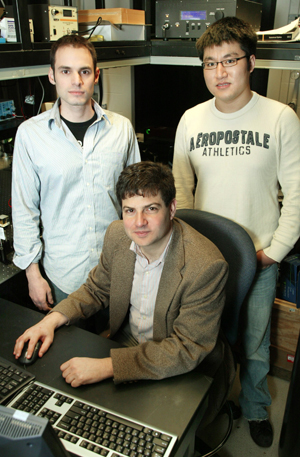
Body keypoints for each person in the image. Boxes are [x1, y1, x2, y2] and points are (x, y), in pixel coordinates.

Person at [14, 161, 234, 424]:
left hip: (185, 365)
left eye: (150, 209)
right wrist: (50, 320)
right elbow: (95, 289)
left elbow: (186, 349)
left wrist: (108, 366)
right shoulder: (118, 235)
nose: (138, 223)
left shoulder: (206, 266)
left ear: (172, 208)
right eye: (130, 210)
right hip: (126, 342)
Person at [172, 16, 300, 448]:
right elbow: (181, 191)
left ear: (251, 62)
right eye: (210, 63)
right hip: (203, 261)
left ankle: (256, 409)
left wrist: (273, 252)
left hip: (258, 261)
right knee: (204, 339)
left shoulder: (280, 118)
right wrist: (188, 248)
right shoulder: (191, 119)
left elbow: (298, 195)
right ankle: (204, 408)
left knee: (255, 344)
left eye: (229, 61)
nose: (219, 72)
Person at [12, 35, 140, 312]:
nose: (76, 81)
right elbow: (24, 210)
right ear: (52, 76)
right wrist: (33, 275)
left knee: (119, 352)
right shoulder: (31, 135)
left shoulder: (121, 129)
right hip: (63, 276)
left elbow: (137, 201)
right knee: (72, 353)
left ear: (96, 75)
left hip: (119, 270)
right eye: (65, 71)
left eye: (83, 71)